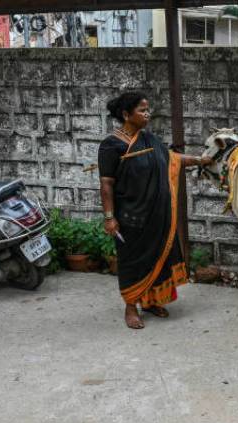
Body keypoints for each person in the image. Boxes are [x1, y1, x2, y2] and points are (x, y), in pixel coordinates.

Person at [98, 92, 212, 329]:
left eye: (148, 109)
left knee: (159, 256)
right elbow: (106, 183)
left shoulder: (149, 139)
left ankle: (151, 302)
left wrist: (201, 160)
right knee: (133, 262)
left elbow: (173, 159)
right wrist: (109, 217)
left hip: (157, 215)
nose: (147, 113)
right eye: (142, 110)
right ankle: (131, 306)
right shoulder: (111, 145)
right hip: (131, 217)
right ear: (126, 114)